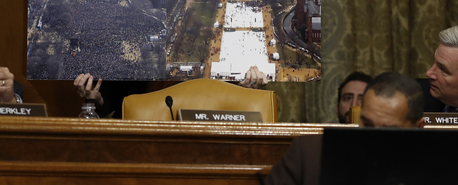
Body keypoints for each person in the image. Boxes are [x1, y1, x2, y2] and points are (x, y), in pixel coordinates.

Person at [264, 72, 425, 185]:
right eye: (367, 124)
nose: (372, 138)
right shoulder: (309, 153)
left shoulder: (434, 166)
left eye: (389, 130)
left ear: (418, 128)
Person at [74, 66, 268, 118]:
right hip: (141, 139)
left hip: (205, 141)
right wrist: (96, 98)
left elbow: (230, 100)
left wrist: (247, 89)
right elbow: (112, 97)